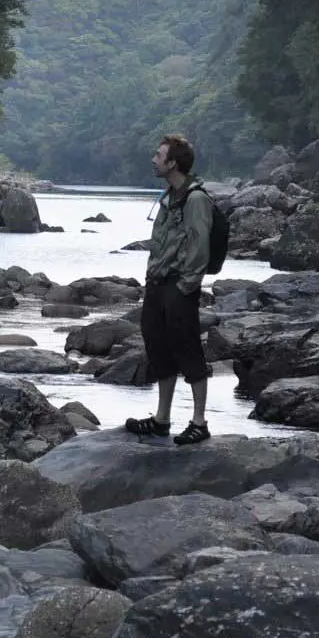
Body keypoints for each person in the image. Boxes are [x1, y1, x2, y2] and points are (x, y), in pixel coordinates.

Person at [125, 133, 213, 445]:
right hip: (157, 285)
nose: (154, 159)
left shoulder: (196, 200)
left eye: (159, 155)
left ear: (173, 162)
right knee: (158, 347)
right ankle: (162, 419)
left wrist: (186, 286)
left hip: (179, 287)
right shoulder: (167, 196)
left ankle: (199, 422)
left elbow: (199, 247)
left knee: (188, 349)